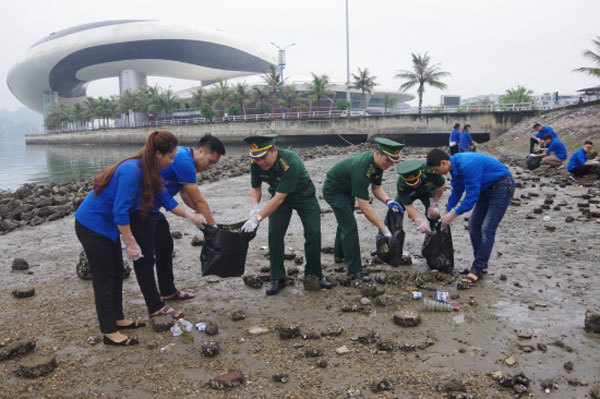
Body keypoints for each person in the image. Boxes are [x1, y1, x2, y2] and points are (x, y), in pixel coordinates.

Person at [74, 130, 204, 346]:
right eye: (171, 157)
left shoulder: (149, 171)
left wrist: (192, 216)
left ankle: (118, 318)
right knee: (104, 278)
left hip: (107, 228)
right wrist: (131, 242)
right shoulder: (131, 171)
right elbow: (121, 210)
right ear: (158, 154)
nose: (172, 161)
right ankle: (109, 332)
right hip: (92, 225)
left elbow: (165, 199)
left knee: (116, 273)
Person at [129, 134, 225, 318]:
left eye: (214, 165)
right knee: (145, 259)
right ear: (200, 151)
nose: (210, 167)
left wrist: (197, 217)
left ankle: (167, 290)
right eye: (211, 161)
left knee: (165, 246)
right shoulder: (184, 161)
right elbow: (198, 200)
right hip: (139, 210)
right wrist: (213, 228)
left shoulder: (183, 158)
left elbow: (185, 195)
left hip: (153, 208)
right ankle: (156, 306)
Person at [241, 134, 332, 295]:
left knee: (313, 233)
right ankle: (277, 277)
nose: (260, 162)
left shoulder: (289, 161)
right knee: (275, 233)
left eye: (263, 157)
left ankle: (314, 275)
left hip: (303, 196)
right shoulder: (256, 162)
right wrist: (254, 207)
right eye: (257, 158)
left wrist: (257, 219)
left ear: (274, 150)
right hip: (278, 195)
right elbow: (255, 187)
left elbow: (279, 198)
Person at [426, 149, 514, 287]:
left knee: (487, 228)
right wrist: (447, 211)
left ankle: (477, 268)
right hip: (485, 189)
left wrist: (454, 214)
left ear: (443, 162)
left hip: (502, 186)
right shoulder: (454, 168)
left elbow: (471, 197)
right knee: (473, 225)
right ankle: (481, 264)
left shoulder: (467, 164)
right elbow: (457, 191)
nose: (437, 173)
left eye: (436, 170)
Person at [323, 138, 404, 282]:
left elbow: (376, 188)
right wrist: (383, 228)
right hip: (334, 190)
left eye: (392, 162)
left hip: (348, 189)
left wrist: (389, 201)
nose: (389, 164)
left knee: (345, 220)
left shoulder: (379, 165)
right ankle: (354, 270)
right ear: (377, 153)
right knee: (350, 226)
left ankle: (340, 254)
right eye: (388, 160)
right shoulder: (362, 167)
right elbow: (365, 208)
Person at [395, 160, 446, 233]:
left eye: (416, 182)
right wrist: (419, 221)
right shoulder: (401, 185)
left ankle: (437, 235)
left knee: (433, 214)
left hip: (428, 191)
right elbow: (408, 206)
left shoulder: (429, 169)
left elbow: (441, 185)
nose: (414, 185)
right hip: (409, 194)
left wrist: (434, 203)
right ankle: (390, 237)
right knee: (395, 211)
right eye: (411, 184)